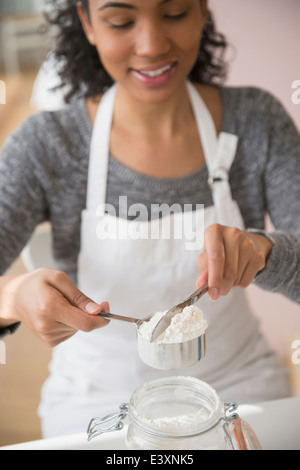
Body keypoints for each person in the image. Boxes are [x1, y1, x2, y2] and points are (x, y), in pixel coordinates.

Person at [0, 0, 299, 438]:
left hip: (238, 387)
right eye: (121, 21)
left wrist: (266, 251)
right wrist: (13, 297)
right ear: (87, 22)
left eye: (175, 12)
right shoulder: (46, 145)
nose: (152, 45)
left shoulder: (256, 121)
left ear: (202, 10)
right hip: (95, 401)